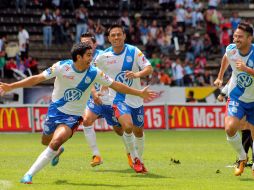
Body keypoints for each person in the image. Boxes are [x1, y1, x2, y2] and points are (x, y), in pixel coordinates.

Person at [0, 42, 156, 184]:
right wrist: (11, 86)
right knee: (45, 141)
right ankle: (57, 151)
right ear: (78, 57)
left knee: (55, 141)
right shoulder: (61, 67)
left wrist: (138, 93)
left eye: (92, 55)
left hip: (73, 117)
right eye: (88, 55)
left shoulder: (95, 73)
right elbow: (37, 78)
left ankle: (28, 175)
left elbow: (117, 85)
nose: (92, 58)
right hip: (55, 111)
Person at [95, 24, 153, 173]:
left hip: (136, 98)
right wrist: (101, 88)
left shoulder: (134, 51)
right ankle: (135, 160)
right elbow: (95, 74)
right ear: (108, 38)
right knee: (127, 127)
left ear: (124, 36)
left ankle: (138, 158)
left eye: (118, 34)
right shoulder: (103, 57)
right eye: (113, 35)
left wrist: (137, 75)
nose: (116, 37)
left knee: (138, 132)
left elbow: (149, 68)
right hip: (118, 98)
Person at [80, 32, 131, 168]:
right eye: (82, 43)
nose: (85, 45)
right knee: (86, 120)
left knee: (119, 130)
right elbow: (85, 78)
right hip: (94, 98)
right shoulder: (81, 58)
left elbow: (109, 75)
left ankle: (130, 153)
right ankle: (96, 155)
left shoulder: (106, 55)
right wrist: (94, 93)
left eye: (88, 43)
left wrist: (103, 89)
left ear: (95, 44)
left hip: (110, 98)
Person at [214, 22, 254, 176]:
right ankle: (242, 157)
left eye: (240, 37)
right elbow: (226, 58)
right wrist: (220, 77)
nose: (236, 39)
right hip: (238, 97)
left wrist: (246, 69)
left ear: (249, 38)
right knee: (230, 128)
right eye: (235, 36)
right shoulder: (231, 50)